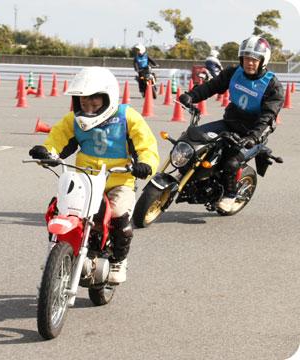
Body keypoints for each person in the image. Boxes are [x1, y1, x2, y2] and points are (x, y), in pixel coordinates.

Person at [29, 66, 159, 283]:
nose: (88, 109)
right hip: (84, 178)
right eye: (84, 103)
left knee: (118, 214)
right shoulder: (73, 120)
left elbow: (146, 145)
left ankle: (118, 260)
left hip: (119, 179)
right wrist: (47, 153)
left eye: (95, 103)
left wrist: (146, 164)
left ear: (108, 99)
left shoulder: (127, 117)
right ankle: (56, 253)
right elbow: (58, 139)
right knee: (60, 210)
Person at [179, 35, 284, 212]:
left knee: (231, 163)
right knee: (192, 137)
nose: (249, 63)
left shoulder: (272, 86)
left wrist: (254, 136)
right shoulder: (234, 73)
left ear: (263, 60)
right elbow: (212, 86)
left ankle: (230, 195)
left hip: (252, 134)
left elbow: (268, 117)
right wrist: (192, 96)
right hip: (229, 124)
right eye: (246, 58)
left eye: (254, 59)